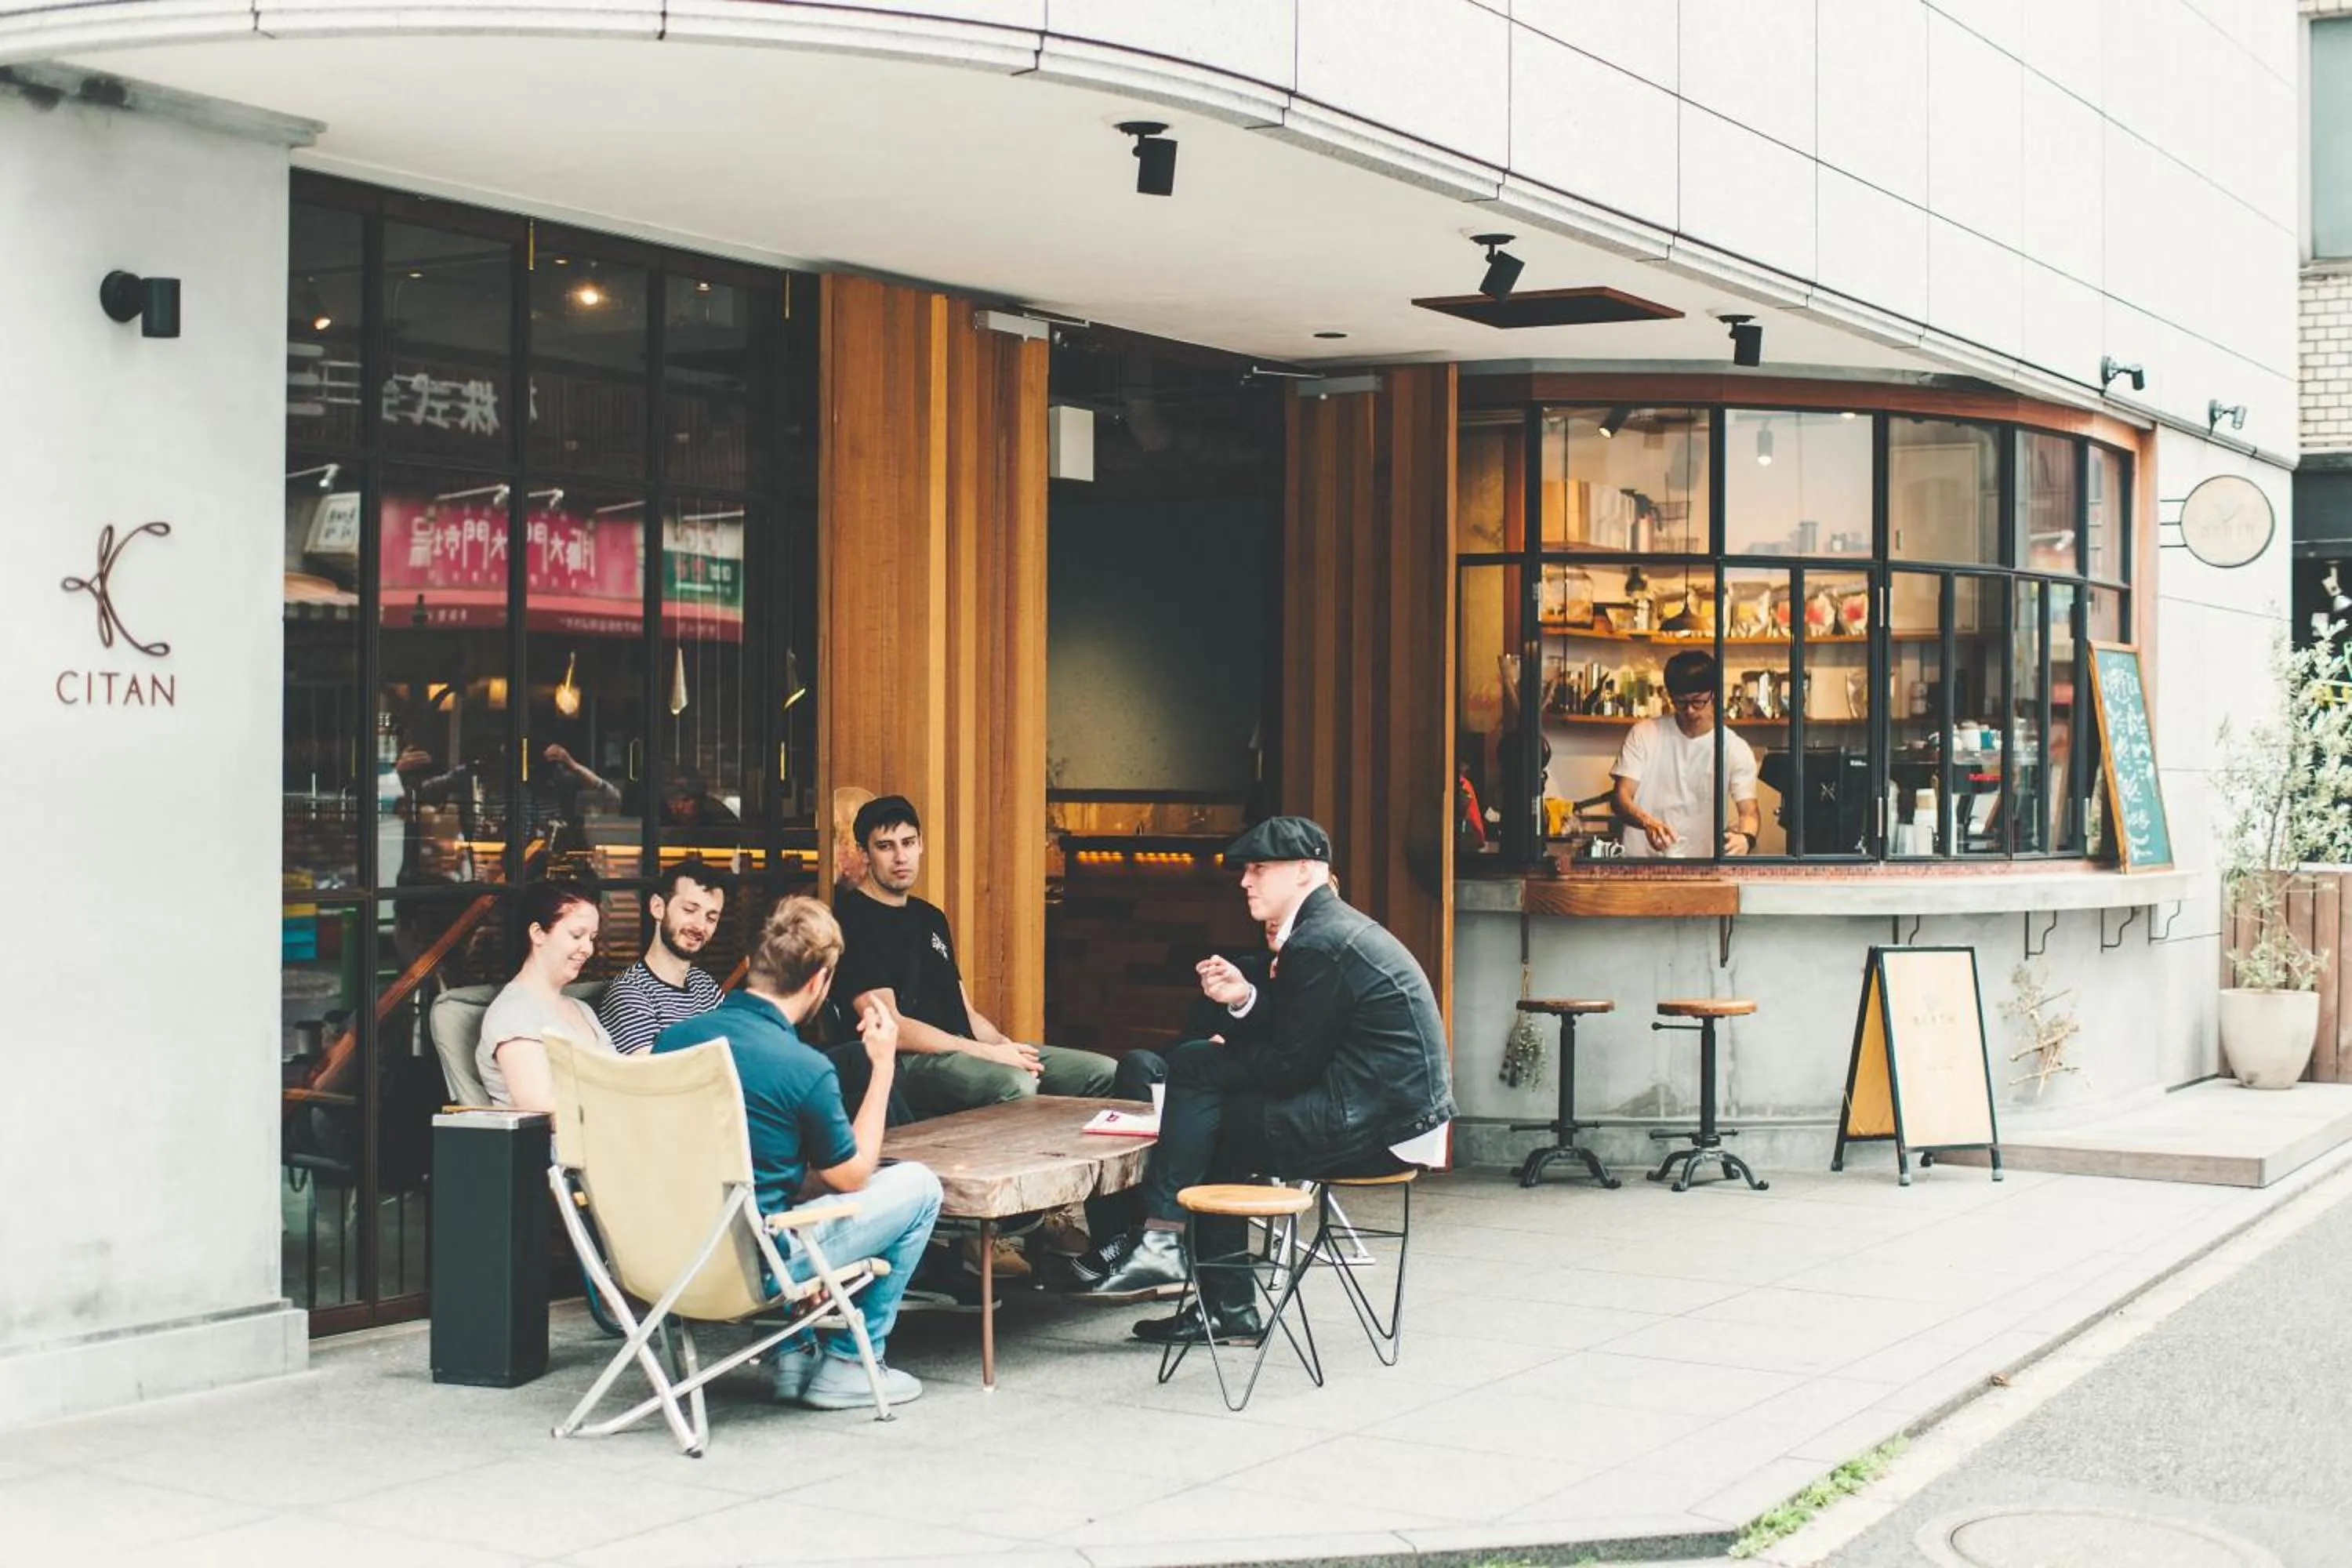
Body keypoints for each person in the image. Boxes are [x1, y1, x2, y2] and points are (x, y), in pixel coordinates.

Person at [1070, 817, 1455, 1348]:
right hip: (1388, 1113)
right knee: (1199, 1082)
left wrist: (1222, 1058)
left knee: (1207, 1111)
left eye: (1259, 869)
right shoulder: (1328, 930)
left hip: (1381, 1125)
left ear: (1304, 871)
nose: (1244, 881)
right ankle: (1195, 1277)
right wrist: (1243, 999)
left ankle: (1186, 1268)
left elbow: (1289, 1068)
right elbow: (1299, 1036)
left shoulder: (1318, 942)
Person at [654, 897, 942, 1410]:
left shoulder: (674, 1041)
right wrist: (881, 1067)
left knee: (777, 1189)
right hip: (757, 1266)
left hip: (666, 1257)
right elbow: (852, 1176)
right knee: (918, 1185)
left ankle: (792, 1353)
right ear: (818, 982)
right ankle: (852, 1361)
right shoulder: (802, 1068)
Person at [833, 795, 1127, 1119]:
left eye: (908, 842)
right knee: (1015, 1084)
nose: (901, 856)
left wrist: (1004, 1046)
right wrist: (985, 1053)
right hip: (905, 1061)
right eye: (885, 846)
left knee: (1102, 1072)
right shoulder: (852, 920)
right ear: (864, 853)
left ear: (921, 845)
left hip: (963, 1051)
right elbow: (893, 1027)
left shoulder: (930, 917)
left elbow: (967, 1013)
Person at [477, 879, 619, 1112]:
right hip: (560, 1146)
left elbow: (623, 1079)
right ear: (538, 934)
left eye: (592, 938)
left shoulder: (581, 1010)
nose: (588, 949)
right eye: (576, 935)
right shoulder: (513, 1014)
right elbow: (543, 1108)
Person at [1610, 650, 1762, 858]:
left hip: (1704, 867)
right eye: (1680, 702)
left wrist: (1746, 838)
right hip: (1642, 863)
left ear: (1714, 695)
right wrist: (1648, 822)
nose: (1689, 710)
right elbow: (1621, 797)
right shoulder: (1645, 733)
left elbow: (1749, 813)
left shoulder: (1734, 748)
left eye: (1698, 701)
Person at [597, 860, 729, 1056]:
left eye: (711, 918)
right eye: (689, 910)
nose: (700, 926)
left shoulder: (705, 986)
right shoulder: (629, 993)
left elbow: (735, 1052)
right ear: (658, 907)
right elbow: (656, 1080)